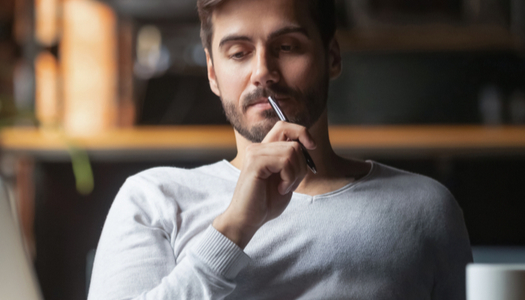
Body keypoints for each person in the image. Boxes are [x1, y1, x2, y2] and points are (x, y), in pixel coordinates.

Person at [88, 0, 473, 299]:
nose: (263, 72)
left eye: (287, 46)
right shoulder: (153, 200)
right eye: (239, 53)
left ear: (332, 57)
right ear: (212, 73)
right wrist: (235, 227)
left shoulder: (425, 208)